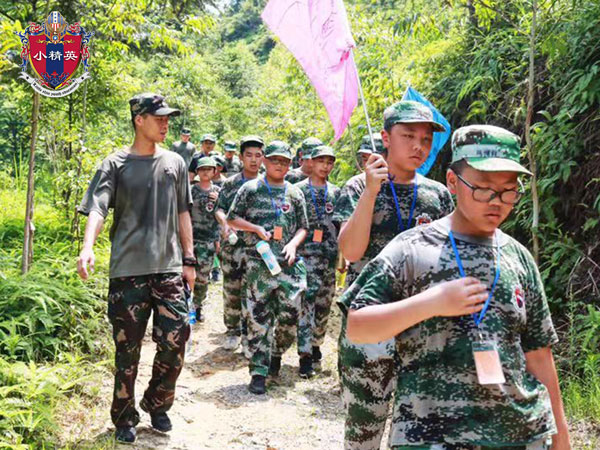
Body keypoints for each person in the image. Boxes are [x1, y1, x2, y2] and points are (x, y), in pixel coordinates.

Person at [344, 124, 571, 450]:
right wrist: (431, 303)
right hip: (430, 436)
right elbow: (357, 326)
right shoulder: (412, 248)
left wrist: (561, 437)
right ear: (452, 182)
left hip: (518, 434)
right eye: (483, 189)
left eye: (508, 191)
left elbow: (538, 354)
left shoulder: (518, 257)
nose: (496, 202)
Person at [334, 100, 455, 450]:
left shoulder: (437, 195)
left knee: (416, 434)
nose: (418, 146)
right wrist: (371, 191)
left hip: (421, 329)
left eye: (426, 139)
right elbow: (351, 251)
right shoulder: (357, 187)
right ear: (386, 138)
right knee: (364, 431)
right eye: (408, 136)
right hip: (369, 326)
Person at [76, 93, 194, 444]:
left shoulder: (175, 163)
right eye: (158, 118)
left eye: (167, 118)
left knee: (176, 340)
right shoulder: (115, 164)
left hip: (168, 269)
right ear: (138, 120)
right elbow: (98, 208)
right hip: (127, 272)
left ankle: (157, 402)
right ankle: (125, 416)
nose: (165, 124)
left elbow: (183, 212)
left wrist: (189, 259)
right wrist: (87, 246)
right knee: (127, 351)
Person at [227, 140, 309, 395]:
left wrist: (293, 244)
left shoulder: (295, 193)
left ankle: (276, 353)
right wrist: (254, 228)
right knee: (257, 318)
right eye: (274, 160)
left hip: (287, 266)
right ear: (265, 161)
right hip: (258, 265)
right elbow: (232, 218)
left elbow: (303, 227)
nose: (279, 165)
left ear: (290, 164)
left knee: (290, 316)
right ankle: (259, 371)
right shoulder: (250, 189)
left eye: (284, 162)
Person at [215, 135, 265, 351]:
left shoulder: (268, 183)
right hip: (234, 246)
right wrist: (225, 223)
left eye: (258, 155)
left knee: (254, 292)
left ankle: (249, 335)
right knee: (232, 289)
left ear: (263, 158)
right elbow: (219, 208)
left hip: (259, 248)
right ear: (241, 157)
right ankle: (232, 331)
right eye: (249, 155)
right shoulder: (231, 183)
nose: (253, 160)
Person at [295, 145, 341, 374]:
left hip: (329, 257)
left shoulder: (337, 193)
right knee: (306, 304)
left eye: (329, 162)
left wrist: (343, 256)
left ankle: (316, 344)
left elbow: (342, 225)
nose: (325, 166)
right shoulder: (297, 191)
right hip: (304, 257)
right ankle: (304, 356)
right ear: (311, 162)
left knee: (324, 305)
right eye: (321, 161)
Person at [190, 157, 221, 322]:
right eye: (202, 169)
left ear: (214, 171)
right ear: (197, 171)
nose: (205, 172)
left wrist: (218, 240)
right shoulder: (190, 191)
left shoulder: (218, 192)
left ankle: (197, 306)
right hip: (190, 240)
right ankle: (185, 306)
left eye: (209, 169)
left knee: (202, 278)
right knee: (185, 276)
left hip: (208, 241)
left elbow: (222, 218)